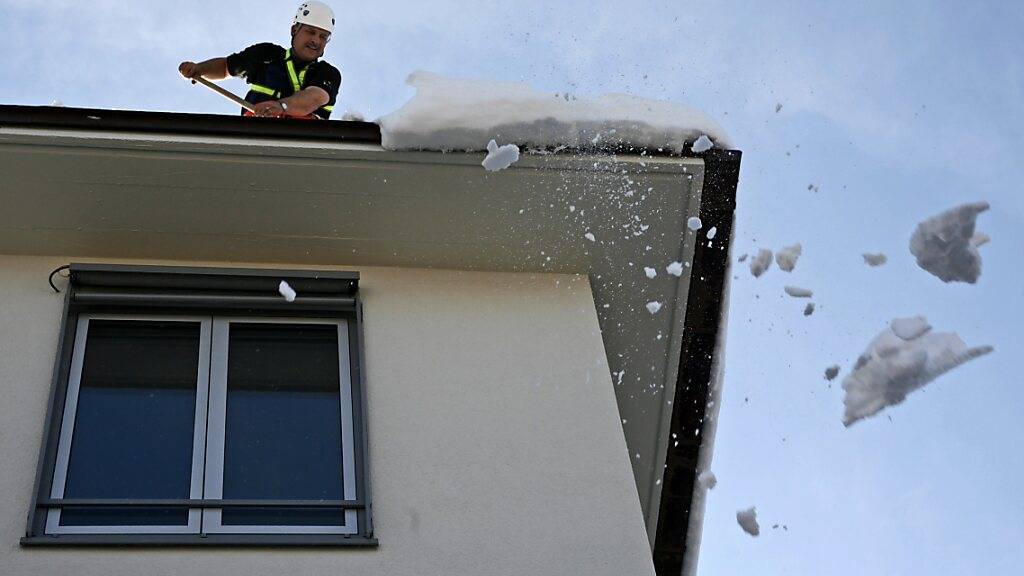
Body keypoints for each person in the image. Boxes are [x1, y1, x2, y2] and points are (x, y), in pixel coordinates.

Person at [178, 2, 341, 119]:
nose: (316, 41)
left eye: (323, 37)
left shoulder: (328, 73)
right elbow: (225, 67)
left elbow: (312, 99)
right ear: (294, 30)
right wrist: (199, 69)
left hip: (300, 143)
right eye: (310, 32)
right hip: (255, 135)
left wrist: (281, 107)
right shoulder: (266, 54)